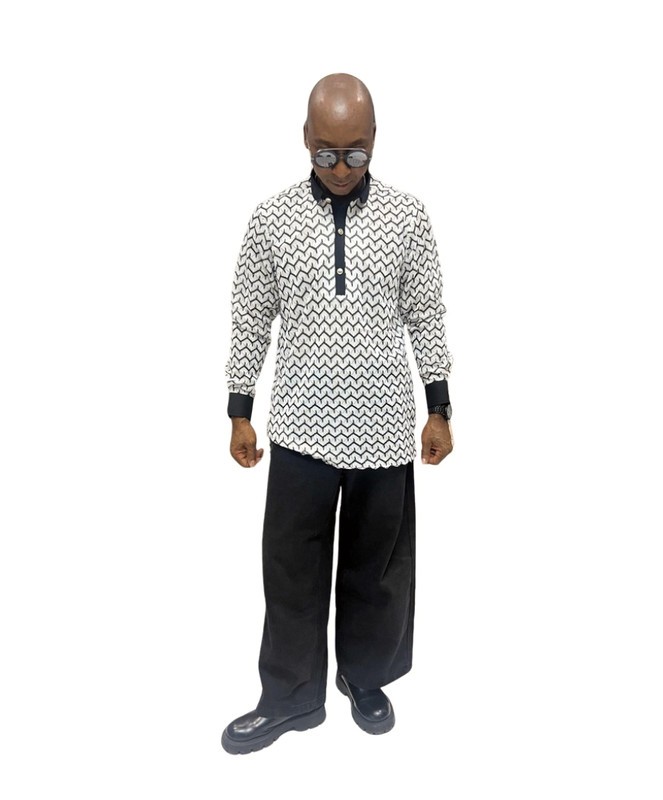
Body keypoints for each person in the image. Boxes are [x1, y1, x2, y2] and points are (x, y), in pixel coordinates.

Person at [220, 73, 454, 755]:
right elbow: (250, 318)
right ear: (304, 138)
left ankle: (364, 675)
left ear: (375, 139)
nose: (342, 168)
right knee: (291, 571)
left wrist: (439, 406)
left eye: (356, 153)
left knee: (377, 570)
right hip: (300, 428)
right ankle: (292, 696)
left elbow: (426, 314)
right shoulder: (272, 220)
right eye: (326, 153)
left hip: (384, 426)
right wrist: (239, 409)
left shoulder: (408, 218)